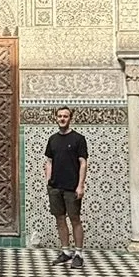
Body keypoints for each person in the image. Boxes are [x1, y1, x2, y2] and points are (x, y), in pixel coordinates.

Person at [43, 105, 89, 266]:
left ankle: (78, 253)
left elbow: (83, 163)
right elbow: (49, 161)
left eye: (65, 116)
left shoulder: (78, 139)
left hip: (72, 187)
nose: (62, 119)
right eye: (60, 116)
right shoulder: (53, 139)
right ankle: (65, 250)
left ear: (70, 118)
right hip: (56, 186)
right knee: (60, 218)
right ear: (56, 118)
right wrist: (49, 181)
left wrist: (80, 185)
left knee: (75, 219)